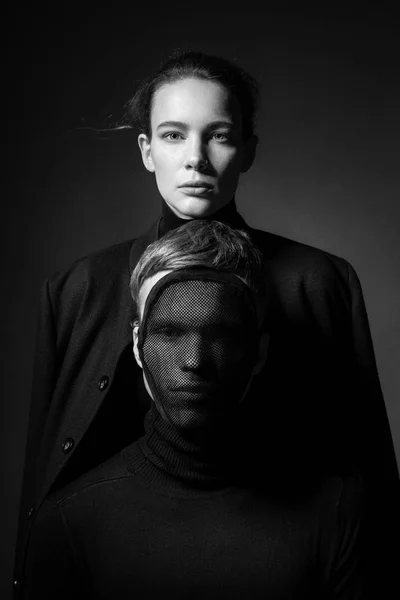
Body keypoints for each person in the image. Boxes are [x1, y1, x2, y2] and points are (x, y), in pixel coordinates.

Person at [13, 50, 398, 595]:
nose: (195, 158)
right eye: (173, 135)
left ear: (247, 151)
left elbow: (367, 460)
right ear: (146, 150)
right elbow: (46, 473)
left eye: (218, 135)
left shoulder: (318, 282)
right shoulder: (78, 289)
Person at [21, 219, 370, 599]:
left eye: (221, 333)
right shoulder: (69, 522)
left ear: (260, 350)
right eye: (170, 332)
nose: (194, 361)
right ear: (138, 344)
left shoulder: (336, 513)